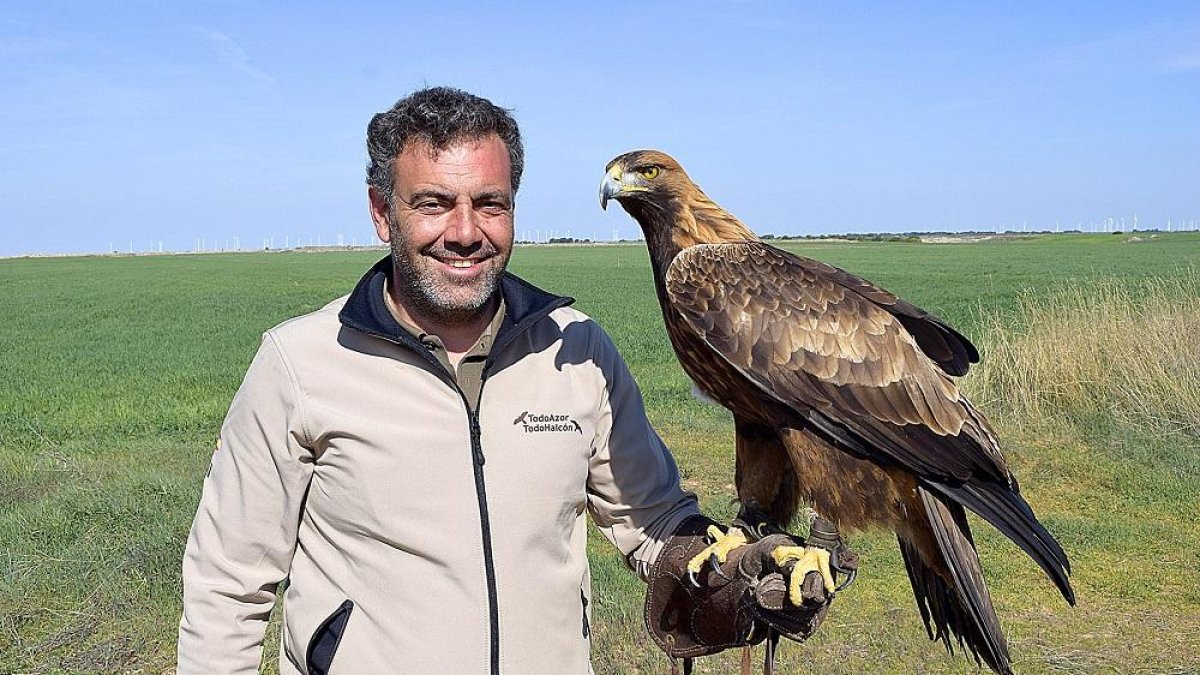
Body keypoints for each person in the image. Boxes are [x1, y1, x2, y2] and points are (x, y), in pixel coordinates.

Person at [177, 87, 837, 675]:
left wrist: (725, 571)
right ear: (383, 213)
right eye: (434, 204)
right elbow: (227, 585)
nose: (465, 233)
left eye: (489, 204)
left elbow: (653, 517)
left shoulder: (576, 350)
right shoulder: (301, 363)